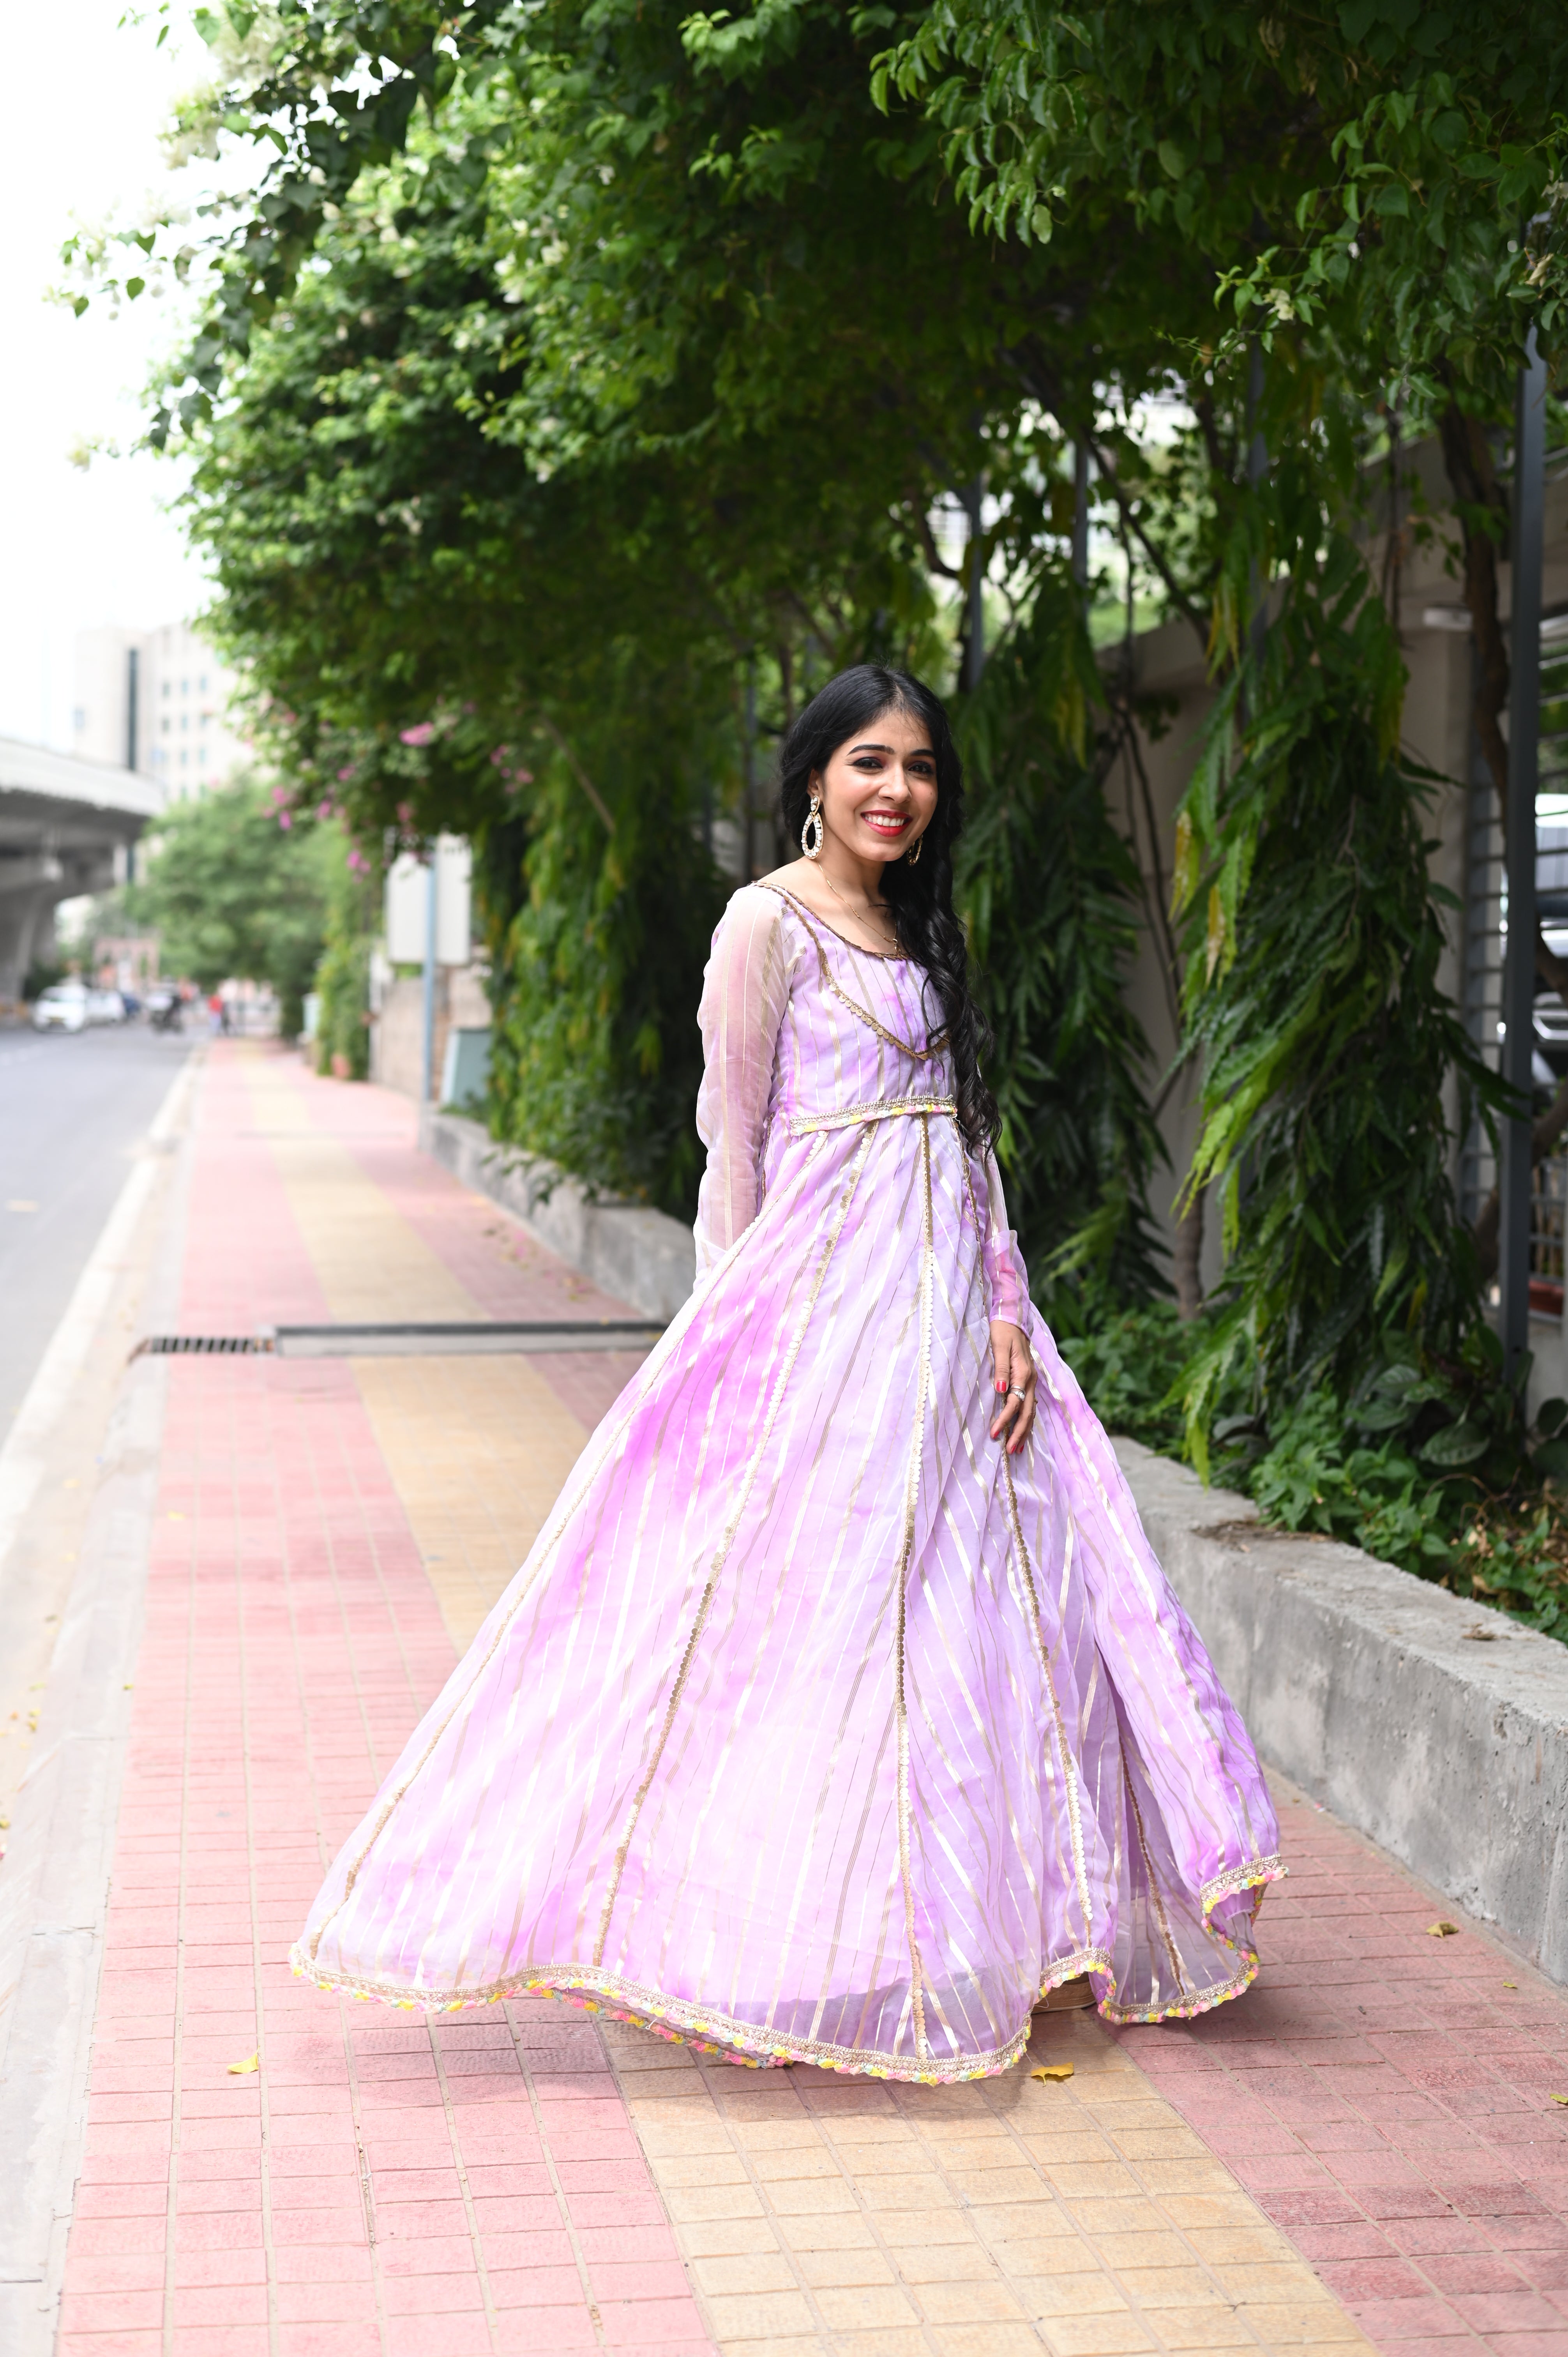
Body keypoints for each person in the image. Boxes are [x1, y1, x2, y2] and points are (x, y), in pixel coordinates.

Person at [292, 664, 1280, 2083]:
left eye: (922, 768)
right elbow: (733, 1140)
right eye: (869, 762)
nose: (898, 790)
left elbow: (967, 1137)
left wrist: (1008, 1306)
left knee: (1002, 1609)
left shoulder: (925, 930)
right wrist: (729, 1337)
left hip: (952, 1318)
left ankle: (1003, 1920)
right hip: (823, 1317)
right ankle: (801, 1946)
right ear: (814, 776)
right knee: (818, 1617)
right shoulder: (765, 924)